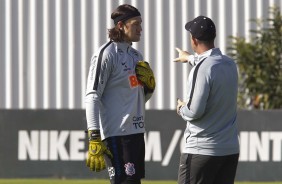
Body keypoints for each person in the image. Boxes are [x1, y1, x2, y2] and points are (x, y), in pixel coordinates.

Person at [85, 4, 155, 184]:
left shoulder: (136, 56)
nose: (141, 28)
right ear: (121, 25)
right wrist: (94, 136)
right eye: (136, 24)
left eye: (141, 23)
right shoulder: (106, 53)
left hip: (136, 133)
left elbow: (138, 98)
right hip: (117, 135)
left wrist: (149, 89)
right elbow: (92, 95)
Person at [174, 16, 240, 184]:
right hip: (229, 150)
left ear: (193, 39)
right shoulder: (229, 64)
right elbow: (210, 63)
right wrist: (189, 58)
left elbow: (195, 111)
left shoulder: (201, 68)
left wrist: (181, 108)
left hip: (201, 151)